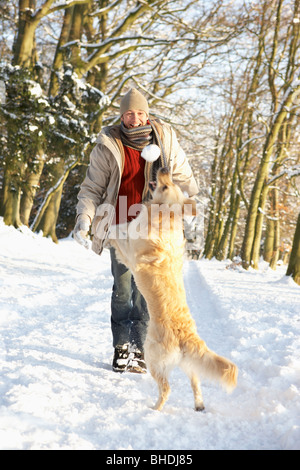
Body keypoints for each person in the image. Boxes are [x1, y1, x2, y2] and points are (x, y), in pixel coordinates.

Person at [74, 88, 198, 374]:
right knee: (123, 287)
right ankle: (121, 347)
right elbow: (92, 188)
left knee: (145, 291)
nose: (134, 117)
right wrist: (85, 218)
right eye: (129, 113)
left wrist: (187, 206)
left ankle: (139, 348)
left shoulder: (164, 140)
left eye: (140, 112)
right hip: (120, 227)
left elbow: (184, 177)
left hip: (152, 229)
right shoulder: (109, 143)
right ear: (121, 114)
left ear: (147, 114)